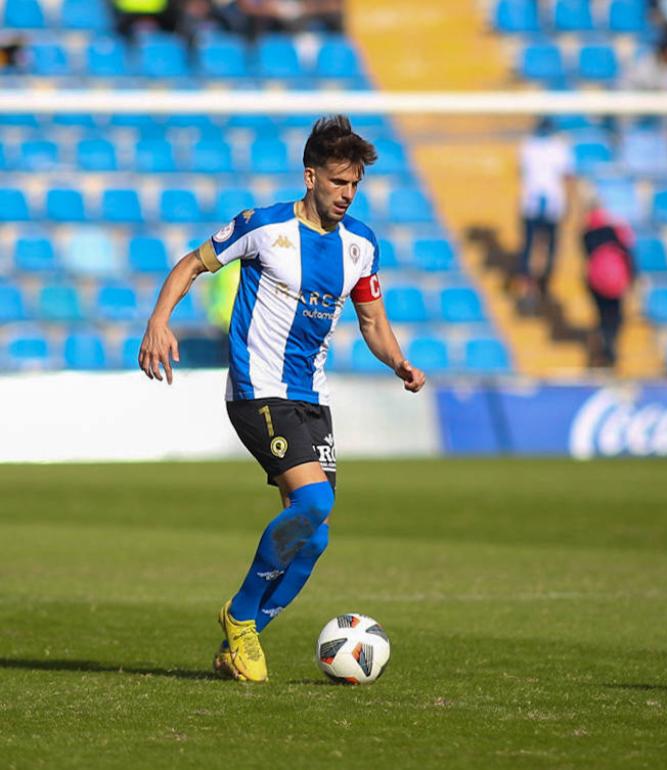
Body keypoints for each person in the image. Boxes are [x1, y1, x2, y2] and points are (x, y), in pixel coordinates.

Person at [137, 115, 426, 682]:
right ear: (310, 175)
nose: (347, 194)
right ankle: (240, 617)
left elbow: (371, 320)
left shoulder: (362, 244)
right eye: (339, 182)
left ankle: (237, 645)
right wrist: (158, 320)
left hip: (311, 400)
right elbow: (192, 264)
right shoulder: (262, 226)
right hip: (255, 390)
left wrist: (399, 362)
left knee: (314, 536)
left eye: (356, 185)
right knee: (314, 504)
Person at [515, 118, 574, 312]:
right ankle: (534, 288)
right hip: (543, 204)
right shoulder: (557, 147)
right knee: (539, 248)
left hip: (540, 204)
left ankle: (537, 287)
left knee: (537, 249)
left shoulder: (529, 146)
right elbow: (567, 178)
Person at [582, 203, 635, 368]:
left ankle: (604, 346)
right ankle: (609, 347)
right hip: (615, 281)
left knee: (603, 316)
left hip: (595, 280)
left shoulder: (588, 235)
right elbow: (628, 254)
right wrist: (632, 278)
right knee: (615, 317)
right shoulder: (616, 233)